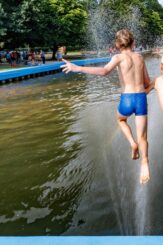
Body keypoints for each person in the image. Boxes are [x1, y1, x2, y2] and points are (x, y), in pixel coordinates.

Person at [61, 29, 151, 184]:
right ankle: (145, 164)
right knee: (143, 136)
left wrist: (78, 68)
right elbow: (147, 82)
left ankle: (131, 143)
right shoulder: (140, 57)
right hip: (141, 98)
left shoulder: (118, 57)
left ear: (117, 44)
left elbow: (104, 71)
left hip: (126, 99)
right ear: (133, 42)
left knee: (121, 120)